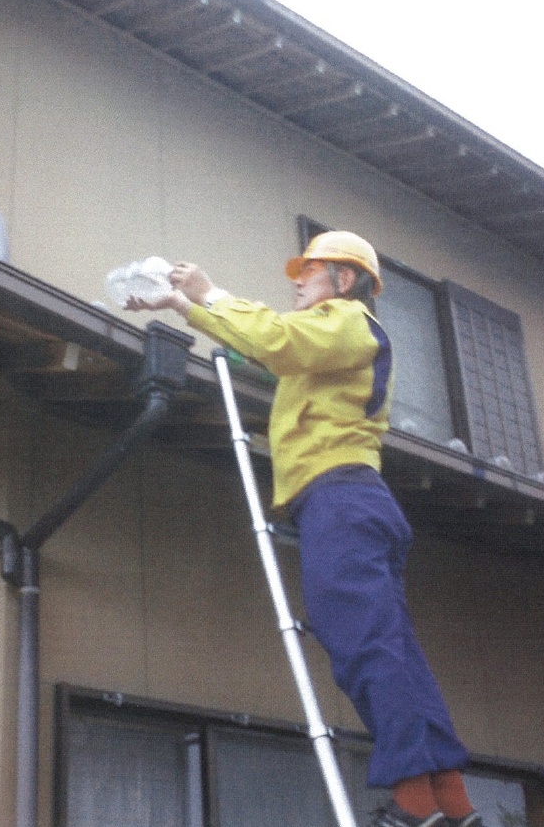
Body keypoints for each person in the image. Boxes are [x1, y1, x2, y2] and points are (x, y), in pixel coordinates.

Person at [126, 231, 483, 827]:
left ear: (344, 280)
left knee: (363, 643)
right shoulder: (327, 349)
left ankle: (416, 802)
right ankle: (450, 801)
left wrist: (209, 291)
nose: (297, 279)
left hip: (340, 499)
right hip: (353, 501)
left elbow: (276, 340)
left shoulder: (347, 322)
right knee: (390, 650)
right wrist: (184, 308)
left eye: (309, 270)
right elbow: (266, 352)